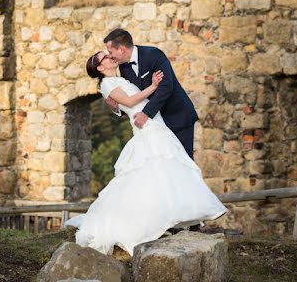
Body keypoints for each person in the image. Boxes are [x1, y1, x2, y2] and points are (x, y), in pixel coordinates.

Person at [66, 51, 226, 256]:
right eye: (104, 56)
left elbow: (123, 103)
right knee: (154, 171)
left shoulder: (120, 77)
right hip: (146, 128)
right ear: (99, 67)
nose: (110, 56)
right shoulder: (106, 84)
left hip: (155, 124)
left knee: (167, 172)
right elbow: (131, 103)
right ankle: (152, 221)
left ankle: (180, 218)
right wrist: (153, 86)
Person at [103, 28, 198, 160]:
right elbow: (135, 96)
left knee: (184, 164)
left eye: (110, 51)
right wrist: (118, 109)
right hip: (155, 125)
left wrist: (146, 113)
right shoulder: (123, 67)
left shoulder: (153, 54)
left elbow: (166, 87)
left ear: (122, 49)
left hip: (177, 117)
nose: (110, 55)